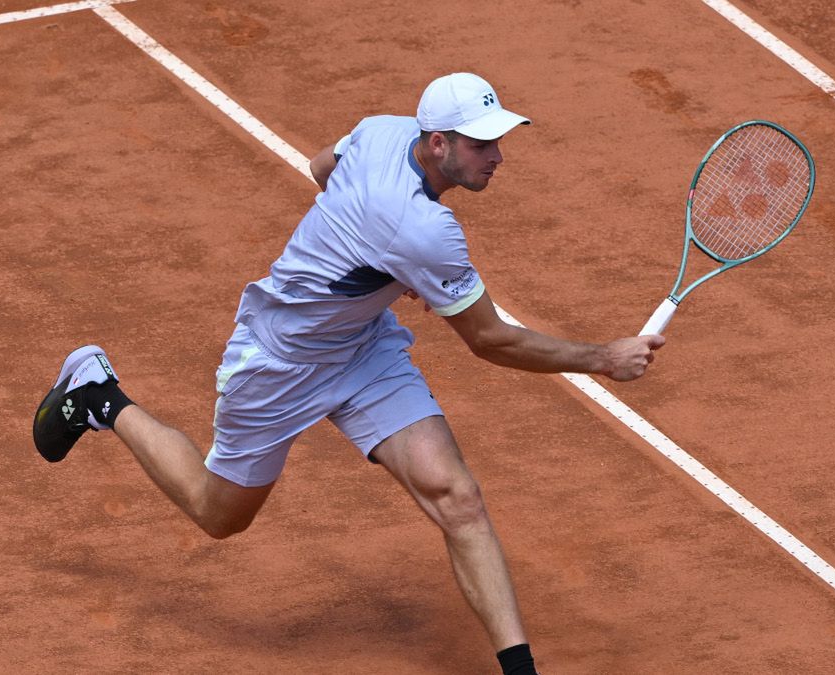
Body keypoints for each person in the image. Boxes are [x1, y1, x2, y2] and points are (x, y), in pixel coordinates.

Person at [33, 72, 665, 674]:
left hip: (362, 349)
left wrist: (367, 265)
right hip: (279, 364)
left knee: (457, 497)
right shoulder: (423, 229)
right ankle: (100, 395)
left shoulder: (384, 129)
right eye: (480, 144)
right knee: (218, 512)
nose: (496, 155)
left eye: (497, 139)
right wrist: (603, 359)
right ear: (438, 142)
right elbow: (492, 340)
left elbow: (319, 168)